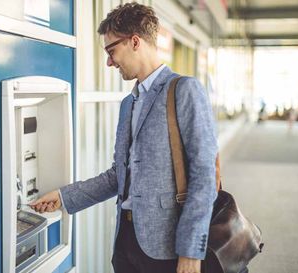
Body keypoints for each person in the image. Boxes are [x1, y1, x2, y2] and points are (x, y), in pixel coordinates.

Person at [32, 3, 218, 273]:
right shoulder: (128, 104)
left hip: (168, 248)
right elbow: (118, 176)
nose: (109, 62)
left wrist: (191, 250)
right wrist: (63, 196)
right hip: (126, 242)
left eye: (111, 51)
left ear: (134, 41)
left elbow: (204, 175)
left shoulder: (184, 90)